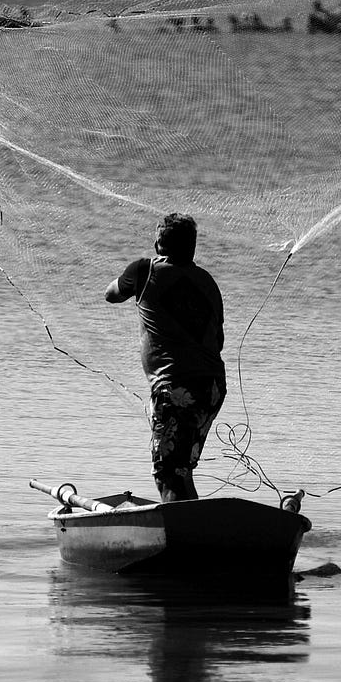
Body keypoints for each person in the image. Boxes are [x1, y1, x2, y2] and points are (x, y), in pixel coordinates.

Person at [105, 213, 226, 502]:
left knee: (167, 471)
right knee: (181, 469)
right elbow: (218, 340)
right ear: (193, 247)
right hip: (211, 388)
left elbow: (111, 294)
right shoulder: (207, 281)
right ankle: (199, 533)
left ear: (158, 244)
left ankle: (185, 538)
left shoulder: (143, 270)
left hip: (175, 388)